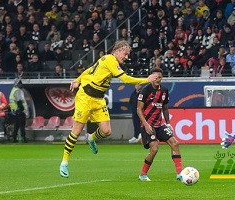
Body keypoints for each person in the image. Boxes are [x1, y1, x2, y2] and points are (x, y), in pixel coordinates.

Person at [59, 40, 158, 178]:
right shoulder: (111, 59)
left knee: (106, 131)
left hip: (98, 99)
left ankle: (91, 138)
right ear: (117, 51)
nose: (126, 57)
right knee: (76, 131)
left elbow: (89, 70)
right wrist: (146, 80)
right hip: (85, 97)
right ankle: (64, 162)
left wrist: (77, 79)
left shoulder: (106, 59)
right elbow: (125, 79)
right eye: (125, 53)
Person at [136, 67, 183, 181]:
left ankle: (180, 174)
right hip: (148, 124)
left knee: (175, 143)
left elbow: (165, 108)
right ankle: (142, 174)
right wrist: (146, 125)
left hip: (160, 124)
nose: (157, 79)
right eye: (155, 77)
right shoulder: (145, 90)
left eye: (159, 77)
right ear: (151, 78)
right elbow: (139, 109)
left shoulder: (164, 90)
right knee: (154, 149)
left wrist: (168, 123)